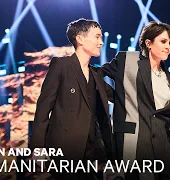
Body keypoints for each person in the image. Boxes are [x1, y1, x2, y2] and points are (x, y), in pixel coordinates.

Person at [101, 21, 170, 180]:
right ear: (148, 43)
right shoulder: (128, 60)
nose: (168, 46)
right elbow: (98, 76)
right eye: (163, 41)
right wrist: (118, 97)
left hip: (162, 144)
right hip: (133, 138)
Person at [30, 18, 114, 180]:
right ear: (80, 39)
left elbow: (118, 97)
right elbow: (43, 108)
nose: (101, 42)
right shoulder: (61, 65)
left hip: (92, 151)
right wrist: (38, 148)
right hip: (64, 149)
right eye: (97, 37)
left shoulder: (96, 74)